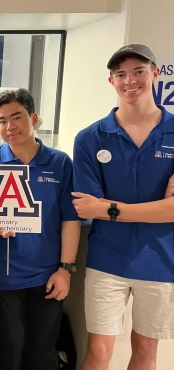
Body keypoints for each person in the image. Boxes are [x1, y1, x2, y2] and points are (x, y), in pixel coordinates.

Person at [71, 44, 174, 370]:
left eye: (139, 71)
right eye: (121, 74)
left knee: (145, 351)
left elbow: (101, 208)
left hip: (161, 259)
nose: (130, 80)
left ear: (155, 73)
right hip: (107, 260)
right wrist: (158, 207)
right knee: (99, 352)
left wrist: (111, 210)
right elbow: (87, 207)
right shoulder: (91, 138)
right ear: (111, 81)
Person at [0, 89, 81, 370]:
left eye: (16, 117)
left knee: (42, 350)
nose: (9, 127)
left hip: (48, 273)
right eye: (2, 121)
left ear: (34, 118)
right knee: (10, 349)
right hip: (6, 272)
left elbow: (70, 218)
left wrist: (65, 269)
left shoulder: (60, 162)